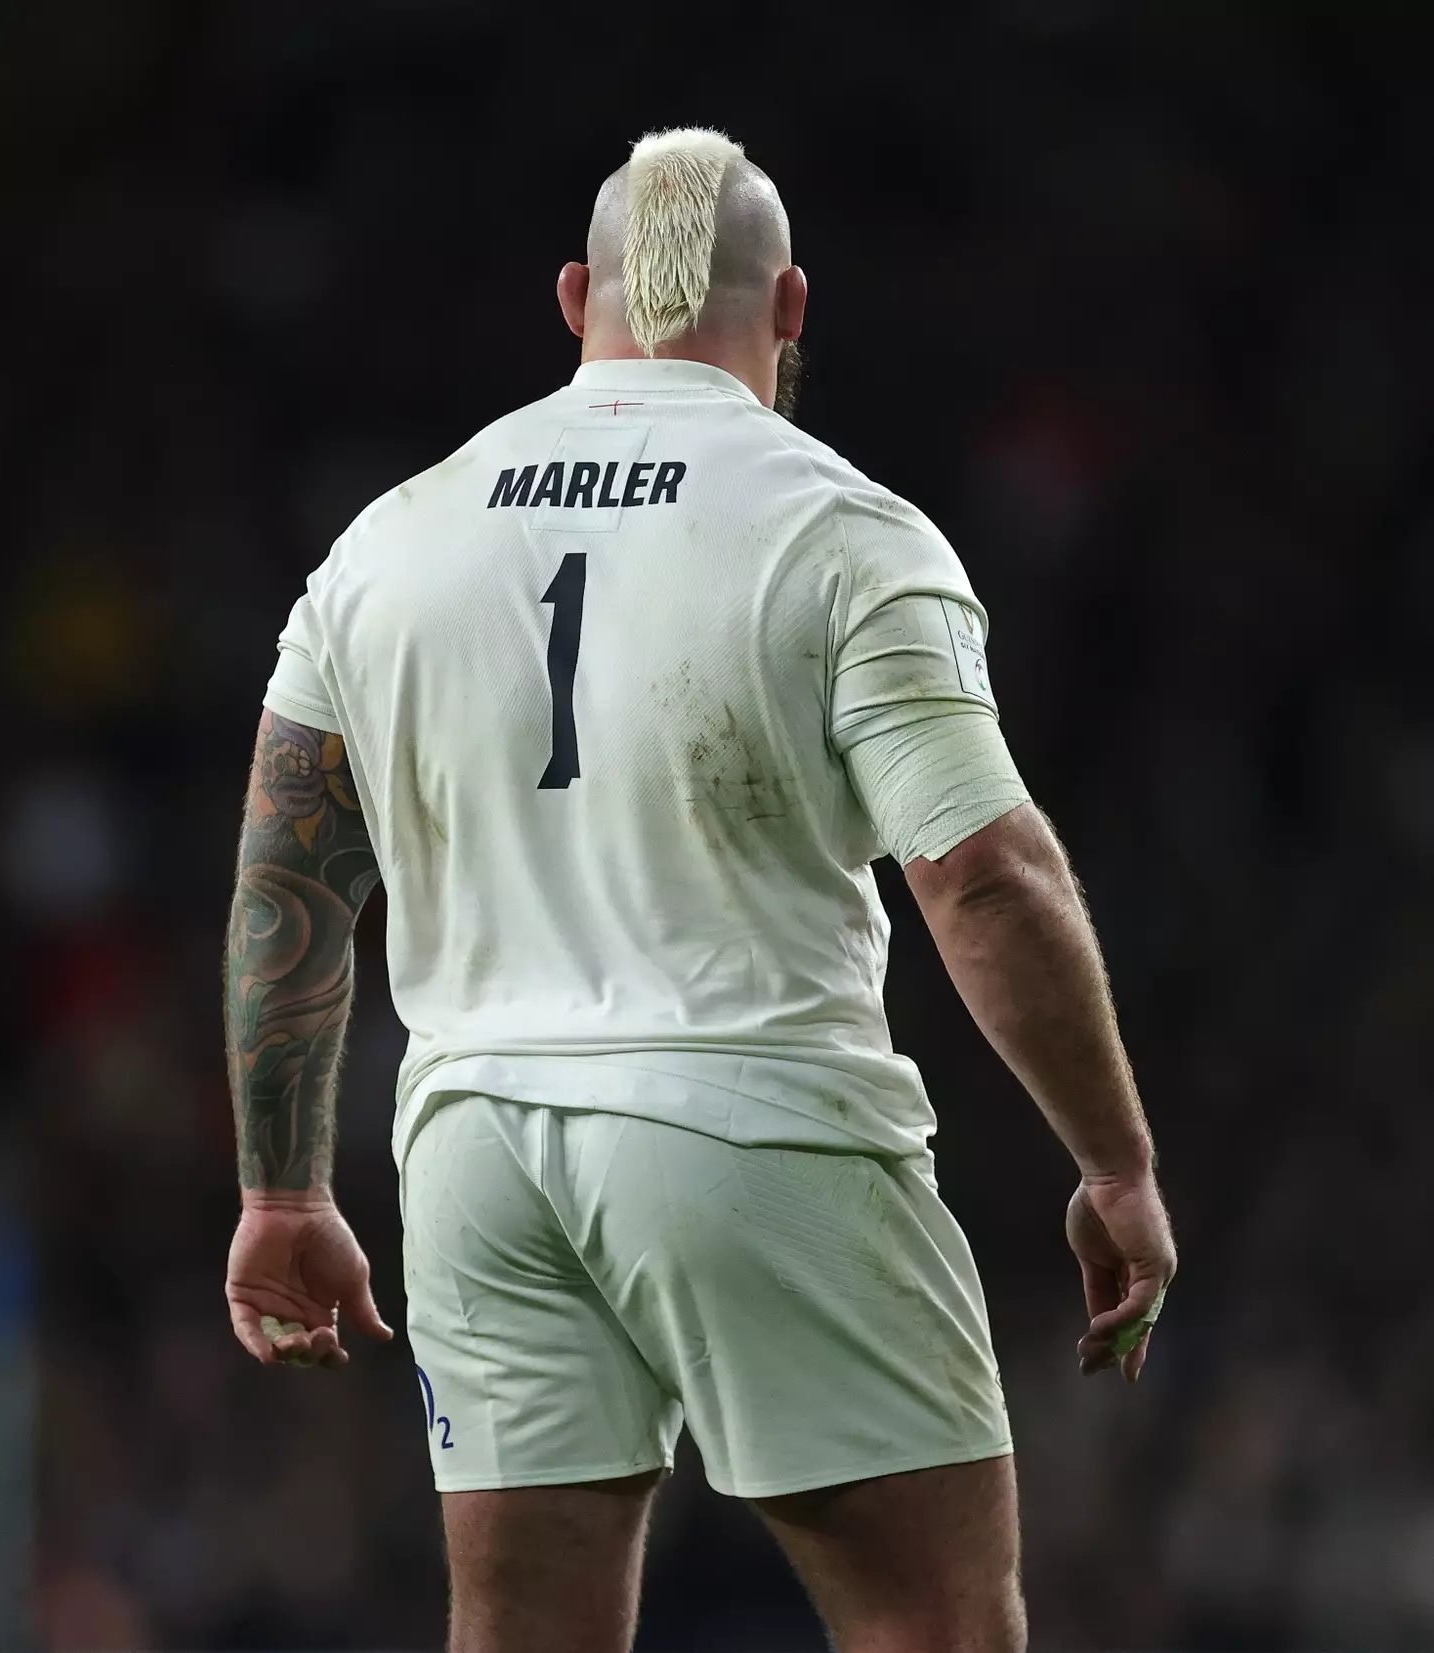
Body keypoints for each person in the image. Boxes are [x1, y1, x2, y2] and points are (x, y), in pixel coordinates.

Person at [223, 126, 1176, 1653]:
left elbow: (289, 877)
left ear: (571, 298)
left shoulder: (384, 545)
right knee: (933, 1626)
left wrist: (281, 1189)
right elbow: (988, 877)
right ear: (791, 306)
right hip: (753, 1110)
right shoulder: (843, 533)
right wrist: (1114, 1158)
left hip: (474, 1146)